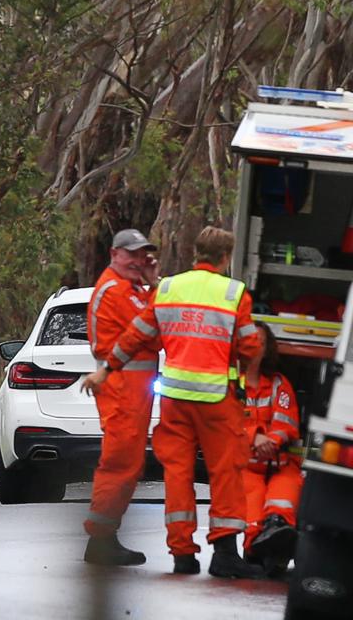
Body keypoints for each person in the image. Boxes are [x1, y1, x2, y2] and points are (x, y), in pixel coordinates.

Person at [82, 226, 264, 578]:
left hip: (173, 398)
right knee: (224, 471)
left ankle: (182, 554)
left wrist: (106, 368)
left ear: (196, 252)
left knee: (177, 474)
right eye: (132, 254)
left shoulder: (166, 289)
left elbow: (140, 333)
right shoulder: (232, 291)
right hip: (212, 398)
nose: (139, 261)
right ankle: (224, 551)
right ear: (226, 258)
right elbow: (248, 347)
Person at [80, 229, 160, 566]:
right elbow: (149, 327)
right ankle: (100, 540)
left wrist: (152, 285)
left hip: (133, 388)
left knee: (129, 464)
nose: (137, 261)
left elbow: (154, 335)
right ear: (114, 254)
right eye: (131, 255)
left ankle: (106, 536)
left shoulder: (135, 290)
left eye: (142, 255)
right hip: (120, 387)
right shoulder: (116, 290)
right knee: (119, 464)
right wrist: (156, 289)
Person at [241, 322, 302, 576]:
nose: (255, 347)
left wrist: (271, 442)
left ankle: (277, 535)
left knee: (284, 495)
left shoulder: (279, 384)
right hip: (246, 465)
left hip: (280, 462)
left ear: (267, 350)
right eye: (251, 341)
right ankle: (259, 546)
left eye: (261, 342)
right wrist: (254, 437)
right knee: (251, 513)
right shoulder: (230, 384)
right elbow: (225, 422)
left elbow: (286, 421)